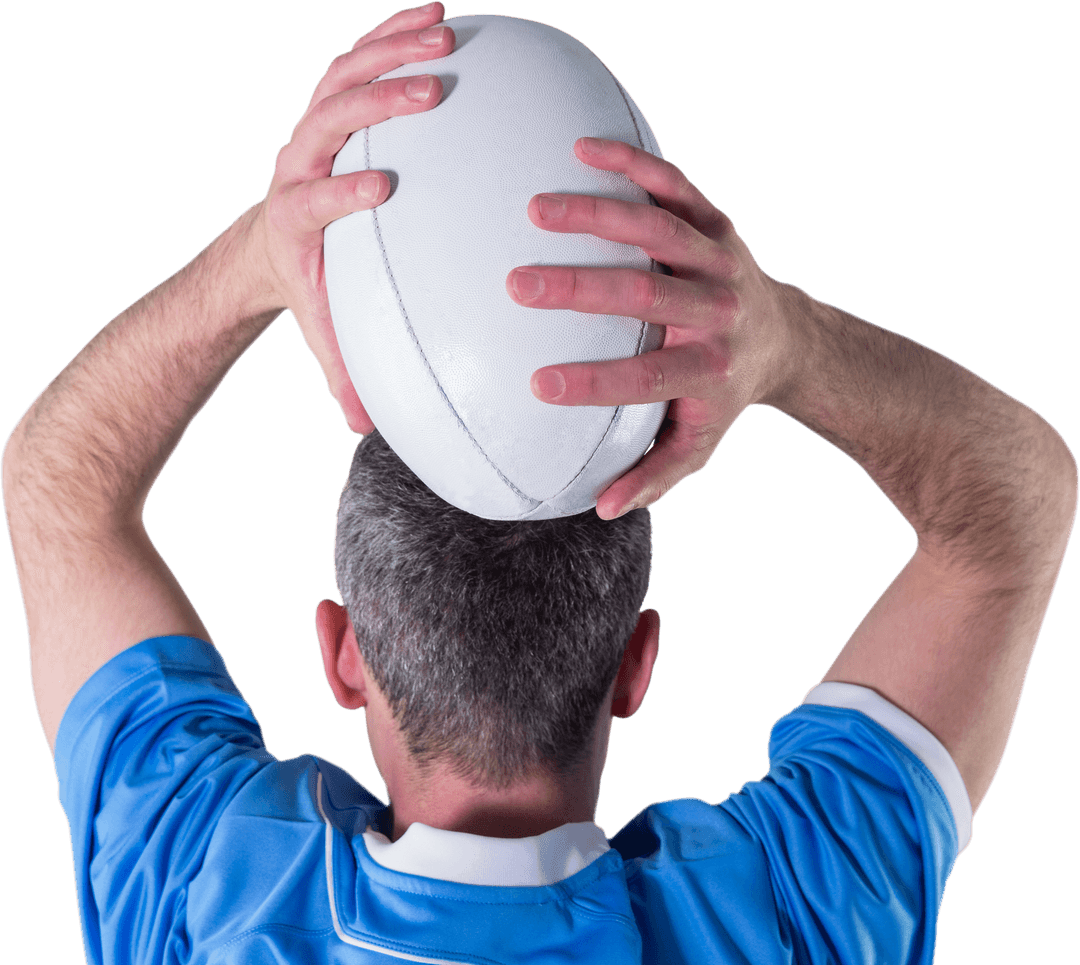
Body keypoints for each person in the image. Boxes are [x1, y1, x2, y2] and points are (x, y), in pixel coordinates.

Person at [2, 2, 1075, 962]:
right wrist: (788, 342)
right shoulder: (792, 913)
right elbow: (1014, 518)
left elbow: (55, 486)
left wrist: (257, 257)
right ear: (637, 663)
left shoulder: (204, 893)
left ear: (344, 654)